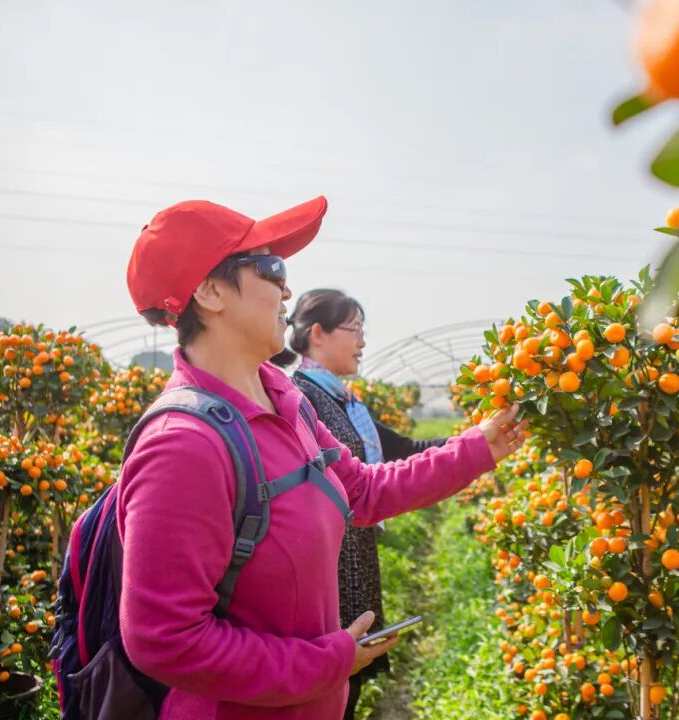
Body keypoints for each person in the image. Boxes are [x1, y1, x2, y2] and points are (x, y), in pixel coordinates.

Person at [119, 196, 526, 719]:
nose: (287, 289)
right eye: (270, 268)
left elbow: (362, 492)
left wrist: (477, 448)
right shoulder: (183, 446)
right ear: (210, 291)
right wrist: (326, 662)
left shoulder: (287, 403)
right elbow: (166, 640)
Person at [271, 289, 446, 718]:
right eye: (355, 330)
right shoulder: (301, 398)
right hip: (328, 570)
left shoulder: (345, 401)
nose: (363, 342)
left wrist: (480, 440)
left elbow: (404, 448)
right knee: (331, 685)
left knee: (351, 684)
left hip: (355, 562)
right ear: (318, 333)